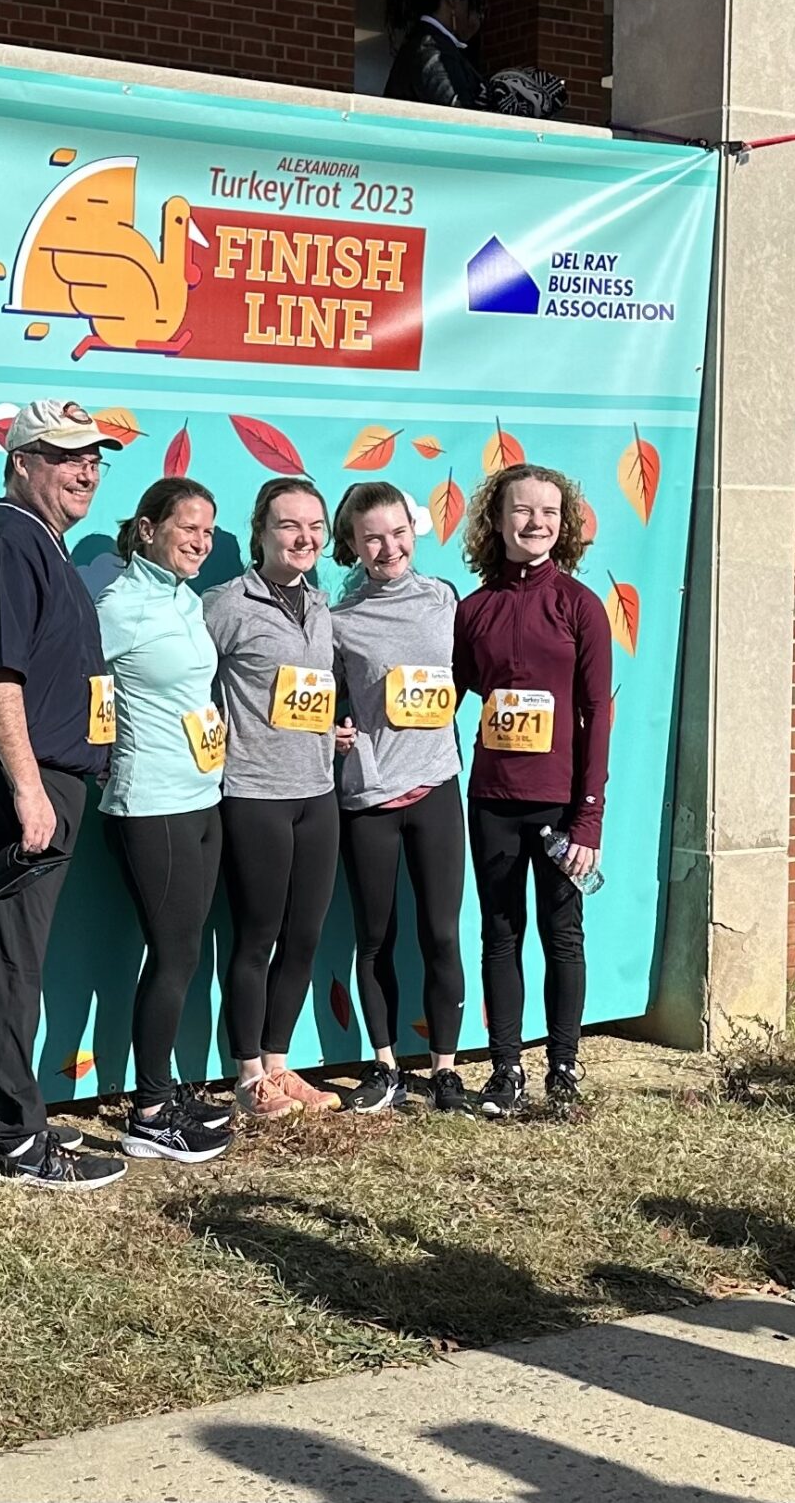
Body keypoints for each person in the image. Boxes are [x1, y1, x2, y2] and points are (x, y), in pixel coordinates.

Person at [0, 399, 128, 1190]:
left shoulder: (35, 541)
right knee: (13, 960)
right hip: (18, 776)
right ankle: (21, 1137)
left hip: (42, 774)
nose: (84, 469)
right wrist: (27, 786)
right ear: (20, 461)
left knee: (2, 954)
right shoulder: (6, 538)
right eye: (63, 455)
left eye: (93, 457)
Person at [452, 463, 611, 1119]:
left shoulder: (580, 605)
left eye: (549, 511)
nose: (537, 522)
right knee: (499, 933)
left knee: (562, 934)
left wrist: (589, 820)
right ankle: (506, 1068)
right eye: (522, 510)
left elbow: (598, 712)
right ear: (496, 519)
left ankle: (565, 1067)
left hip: (559, 804)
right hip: (491, 797)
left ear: (564, 524)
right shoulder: (473, 608)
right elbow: (442, 700)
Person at [95, 478, 235, 1165]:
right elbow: (71, 684)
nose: (202, 542)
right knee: (173, 953)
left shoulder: (185, 599)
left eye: (209, 531)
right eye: (189, 527)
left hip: (203, 795)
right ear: (147, 528)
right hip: (149, 801)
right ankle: (148, 1112)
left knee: (185, 949)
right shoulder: (117, 606)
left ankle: (165, 1092)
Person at [328, 482, 475, 1118]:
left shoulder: (445, 599)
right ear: (352, 546)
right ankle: (384, 1065)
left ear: (414, 531)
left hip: (437, 786)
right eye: (372, 538)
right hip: (369, 797)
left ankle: (445, 1070)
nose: (388, 547)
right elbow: (326, 700)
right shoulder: (338, 621)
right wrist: (336, 730)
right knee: (375, 939)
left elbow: (466, 676)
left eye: (397, 533)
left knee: (442, 933)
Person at [202, 479, 343, 1118]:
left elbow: (312, 690)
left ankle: (281, 1066)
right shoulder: (226, 605)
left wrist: (335, 726)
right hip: (254, 794)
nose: (304, 537)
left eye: (314, 526)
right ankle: (247, 1074)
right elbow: (187, 683)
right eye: (290, 525)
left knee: (305, 935)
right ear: (261, 531)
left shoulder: (323, 605)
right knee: (256, 936)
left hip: (319, 791)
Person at [383, 0, 489, 110]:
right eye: (475, 0)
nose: (481, 13)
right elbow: (461, 117)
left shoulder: (427, 45)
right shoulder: (433, 51)